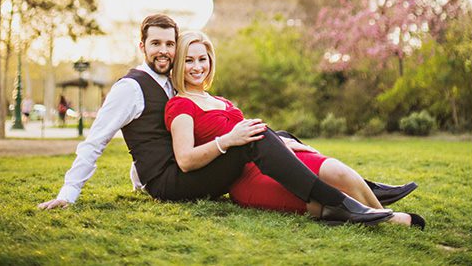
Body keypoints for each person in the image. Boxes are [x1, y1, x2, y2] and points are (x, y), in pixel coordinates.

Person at [38, 14, 401, 225]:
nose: (164, 50)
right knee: (252, 138)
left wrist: (137, 179)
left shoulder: (168, 83)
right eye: (156, 44)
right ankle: (339, 201)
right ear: (142, 46)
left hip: (179, 174)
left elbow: (150, 140)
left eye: (169, 44)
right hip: (174, 182)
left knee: (270, 132)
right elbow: (96, 140)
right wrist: (68, 193)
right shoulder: (129, 89)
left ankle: (365, 187)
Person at [166, 30, 425, 228]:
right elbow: (185, 160)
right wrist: (228, 139)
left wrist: (281, 142)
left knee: (339, 171)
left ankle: (372, 203)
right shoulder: (180, 105)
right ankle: (390, 218)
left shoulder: (221, 101)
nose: (197, 66)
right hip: (243, 178)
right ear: (179, 65)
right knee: (317, 203)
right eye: (189, 61)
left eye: (202, 59)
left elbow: (255, 138)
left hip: (269, 159)